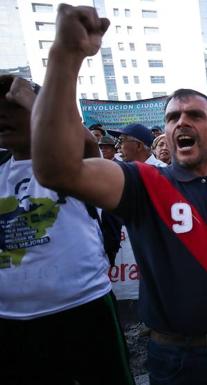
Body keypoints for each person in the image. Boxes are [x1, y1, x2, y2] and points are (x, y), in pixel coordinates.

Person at [30, 5, 207, 384]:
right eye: (173, 117)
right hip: (180, 361)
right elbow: (57, 169)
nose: (181, 122)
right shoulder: (141, 184)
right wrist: (65, 55)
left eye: (194, 115)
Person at [0, 75, 134, 385]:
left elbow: (85, 140)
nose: (3, 114)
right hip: (12, 320)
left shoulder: (76, 166)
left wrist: (34, 98)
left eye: (12, 104)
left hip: (82, 309)